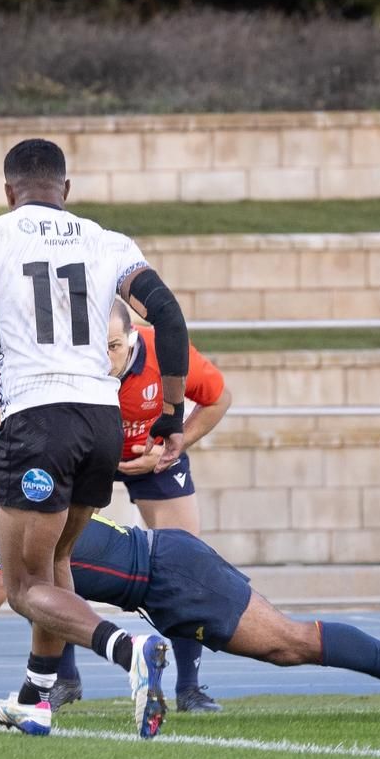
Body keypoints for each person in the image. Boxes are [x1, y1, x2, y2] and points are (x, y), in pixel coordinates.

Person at [0, 438, 380, 719]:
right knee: (286, 647)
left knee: (288, 645)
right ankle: (37, 701)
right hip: (155, 588)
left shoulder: (11, 522)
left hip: (172, 571)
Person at [0, 137, 189, 739]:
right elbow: (168, 316)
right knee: (57, 561)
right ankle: (36, 696)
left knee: (23, 587)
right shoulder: (108, 241)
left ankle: (129, 651)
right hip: (99, 419)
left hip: (35, 418)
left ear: (10, 191)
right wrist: (171, 413)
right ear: (66, 190)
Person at [110, 297, 233, 713]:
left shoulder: (165, 353)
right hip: (89, 458)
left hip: (154, 458)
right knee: (53, 557)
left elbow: (219, 399)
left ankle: (190, 688)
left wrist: (166, 451)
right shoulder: (72, 362)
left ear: (131, 337)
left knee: (186, 564)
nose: (105, 358)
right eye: (98, 348)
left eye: (114, 347)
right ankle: (58, 680)